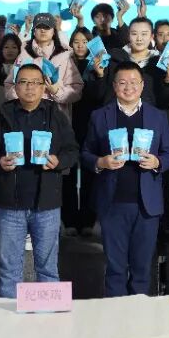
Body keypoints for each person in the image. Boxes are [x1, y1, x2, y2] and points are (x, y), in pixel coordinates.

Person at [0, 63, 78, 298]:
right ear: (15, 87)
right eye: (23, 82)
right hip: (10, 205)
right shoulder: (2, 114)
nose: (29, 87)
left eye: (35, 82)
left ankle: (48, 317)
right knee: (9, 269)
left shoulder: (55, 114)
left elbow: (72, 150)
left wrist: (58, 161)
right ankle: (8, 317)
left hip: (46, 204)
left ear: (44, 87)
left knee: (47, 268)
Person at [82, 61, 169, 297]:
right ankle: (116, 317)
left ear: (142, 85)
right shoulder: (99, 116)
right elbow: (86, 154)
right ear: (114, 86)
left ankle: (139, 316)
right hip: (112, 203)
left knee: (142, 268)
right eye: (122, 82)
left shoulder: (157, 116)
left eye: (134, 82)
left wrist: (157, 162)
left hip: (147, 205)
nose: (128, 87)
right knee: (115, 268)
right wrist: (101, 162)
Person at [4, 12, 84, 120]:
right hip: (26, 118)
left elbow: (77, 90)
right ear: (34, 31)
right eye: (39, 27)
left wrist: (57, 91)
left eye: (47, 27)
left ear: (53, 31)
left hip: (56, 119)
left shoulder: (64, 57)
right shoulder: (23, 55)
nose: (43, 30)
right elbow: (9, 85)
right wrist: (22, 93)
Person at [65, 27, 101, 235]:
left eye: (84, 41)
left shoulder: (97, 63)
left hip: (90, 125)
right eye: (76, 41)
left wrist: (98, 74)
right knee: (68, 174)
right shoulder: (64, 63)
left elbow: (99, 94)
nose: (80, 45)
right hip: (68, 123)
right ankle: (69, 220)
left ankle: (88, 220)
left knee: (90, 174)